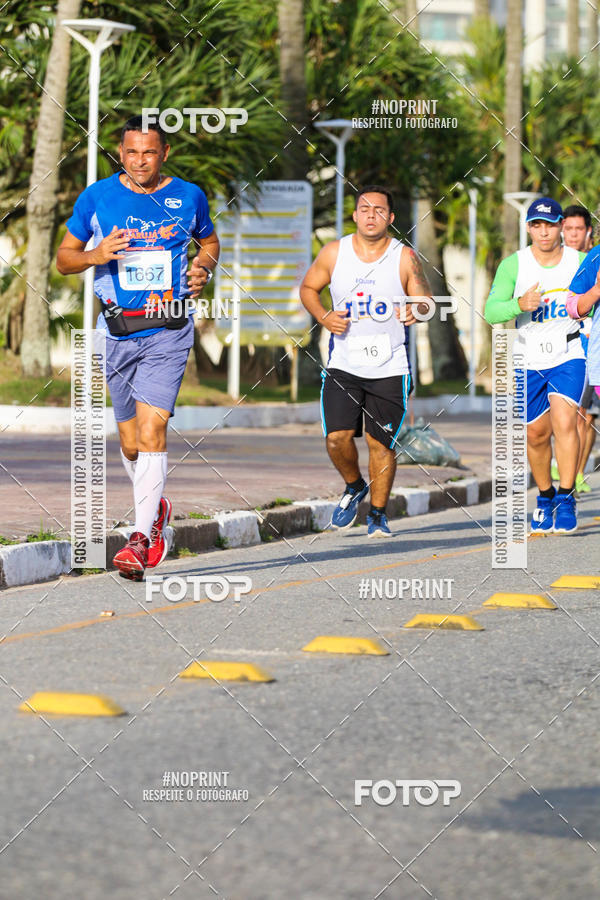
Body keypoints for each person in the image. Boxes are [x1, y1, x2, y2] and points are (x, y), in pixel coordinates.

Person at [57, 116, 219, 579]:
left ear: (164, 152)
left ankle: (141, 538)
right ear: (120, 152)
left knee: (153, 434)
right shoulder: (98, 197)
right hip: (118, 333)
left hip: (168, 330)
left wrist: (202, 268)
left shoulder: (188, 195)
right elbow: (64, 259)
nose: (140, 161)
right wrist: (94, 254)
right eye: (131, 152)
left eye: (149, 152)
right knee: (130, 445)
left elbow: (209, 242)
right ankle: (157, 508)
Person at [299, 185, 430, 537]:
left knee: (379, 443)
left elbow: (426, 301)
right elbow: (308, 288)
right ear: (355, 215)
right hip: (344, 363)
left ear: (390, 217)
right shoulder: (334, 252)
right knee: (336, 438)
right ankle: (354, 484)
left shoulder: (404, 257)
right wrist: (325, 316)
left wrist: (415, 310)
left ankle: (377, 514)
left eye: (379, 210)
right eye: (364, 208)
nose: (371, 215)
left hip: (390, 367)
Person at [484, 197, 586, 534]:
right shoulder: (514, 265)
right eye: (537, 225)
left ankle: (567, 497)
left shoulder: (579, 261)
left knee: (564, 421)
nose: (544, 232)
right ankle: (545, 497)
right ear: (528, 227)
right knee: (536, 433)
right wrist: (519, 304)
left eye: (551, 224)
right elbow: (491, 311)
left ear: (561, 227)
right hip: (528, 358)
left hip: (569, 353)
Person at [561, 204, 596, 492]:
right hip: (580, 354)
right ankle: (572, 473)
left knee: (586, 417)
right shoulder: (596, 258)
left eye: (578, 229)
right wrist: (596, 291)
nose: (573, 235)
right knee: (578, 415)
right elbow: (573, 305)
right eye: (568, 228)